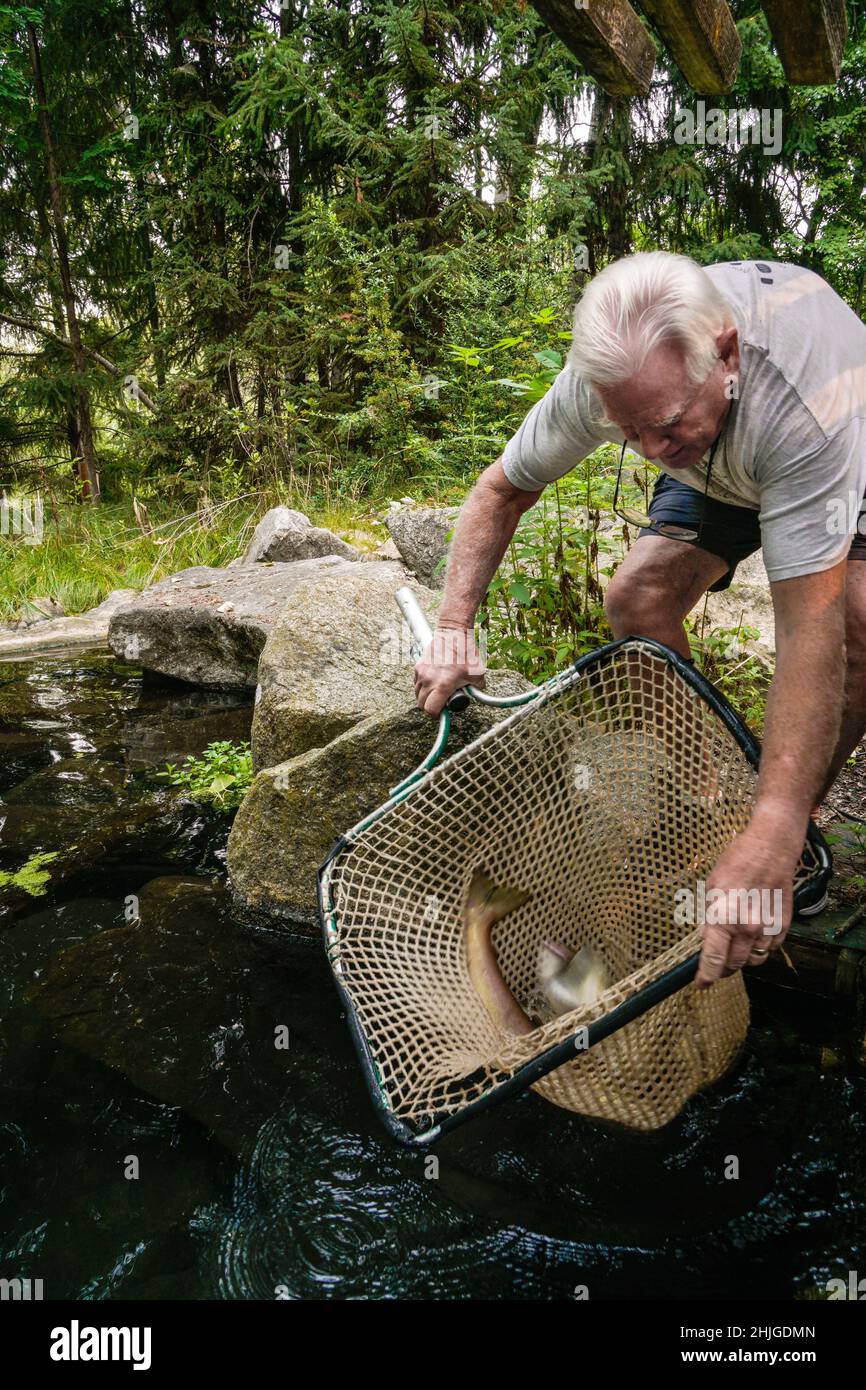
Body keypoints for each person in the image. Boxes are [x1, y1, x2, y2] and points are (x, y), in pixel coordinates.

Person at [412, 251, 866, 988]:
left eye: (661, 425)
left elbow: (806, 635)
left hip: (843, 449)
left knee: (856, 631)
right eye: (629, 434)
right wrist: (454, 626)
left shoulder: (800, 408)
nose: (650, 452)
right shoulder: (615, 390)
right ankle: (709, 809)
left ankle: (788, 838)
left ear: (725, 355)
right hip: (720, 456)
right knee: (638, 600)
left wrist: (777, 822)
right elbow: (500, 491)